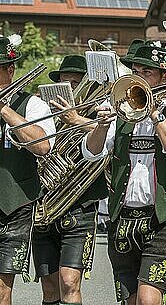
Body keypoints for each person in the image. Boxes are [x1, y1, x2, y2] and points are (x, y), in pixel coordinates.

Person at [81, 44, 166, 305]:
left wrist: (156, 115)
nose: (138, 78)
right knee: (131, 300)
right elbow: (92, 153)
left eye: (146, 73)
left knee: (149, 300)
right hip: (123, 219)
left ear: (164, 77)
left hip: (164, 220)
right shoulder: (120, 109)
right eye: (135, 71)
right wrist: (101, 126)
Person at [32, 54, 109, 305]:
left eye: (75, 84)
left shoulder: (99, 114)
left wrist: (77, 120)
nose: (69, 91)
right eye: (64, 84)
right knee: (50, 285)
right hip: (46, 206)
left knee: (69, 281)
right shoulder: (43, 115)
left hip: (81, 206)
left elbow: (111, 140)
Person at [0, 34, 56, 305]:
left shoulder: (32, 104)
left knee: (1, 288)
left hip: (14, 206)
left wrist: (4, 110)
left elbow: (43, 145)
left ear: (10, 70)